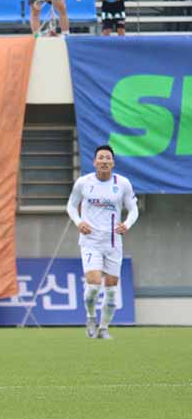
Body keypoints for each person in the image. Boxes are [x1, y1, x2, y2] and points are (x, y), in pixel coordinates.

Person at [66, 145, 139, 339]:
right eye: (101, 158)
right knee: (93, 286)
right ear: (94, 162)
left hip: (113, 243)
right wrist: (79, 222)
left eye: (108, 158)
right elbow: (71, 206)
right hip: (90, 241)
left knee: (112, 291)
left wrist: (127, 224)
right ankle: (91, 317)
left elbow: (133, 209)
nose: (104, 161)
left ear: (113, 163)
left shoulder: (122, 183)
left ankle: (104, 328)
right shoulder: (83, 183)